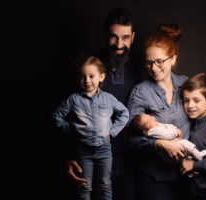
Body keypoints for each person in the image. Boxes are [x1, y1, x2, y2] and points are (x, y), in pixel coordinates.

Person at [126, 23, 206, 200]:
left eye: (159, 61)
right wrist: (159, 144)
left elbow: (201, 107)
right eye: (149, 63)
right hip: (154, 179)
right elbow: (128, 139)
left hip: (186, 176)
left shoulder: (185, 84)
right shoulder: (140, 92)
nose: (154, 68)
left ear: (172, 59)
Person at [66, 8, 141, 200]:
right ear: (104, 35)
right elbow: (70, 115)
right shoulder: (88, 69)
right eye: (113, 37)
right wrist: (68, 157)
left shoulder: (142, 69)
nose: (119, 44)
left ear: (132, 37)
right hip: (90, 164)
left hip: (130, 168)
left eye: (125, 37)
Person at [52, 56, 129, 200]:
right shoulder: (73, 99)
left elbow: (124, 113)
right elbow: (56, 116)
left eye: (91, 76)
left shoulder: (108, 98)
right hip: (83, 151)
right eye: (82, 77)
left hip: (105, 150)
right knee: (84, 186)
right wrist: (71, 129)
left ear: (101, 77)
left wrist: (112, 132)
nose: (87, 81)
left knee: (105, 185)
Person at [132, 113, 206, 161]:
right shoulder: (153, 131)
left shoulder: (155, 125)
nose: (152, 118)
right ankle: (197, 155)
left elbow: (167, 126)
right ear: (145, 131)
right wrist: (175, 132)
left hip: (174, 143)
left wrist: (174, 128)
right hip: (171, 147)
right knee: (185, 143)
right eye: (148, 121)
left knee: (185, 155)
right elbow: (167, 135)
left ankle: (190, 167)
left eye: (149, 116)